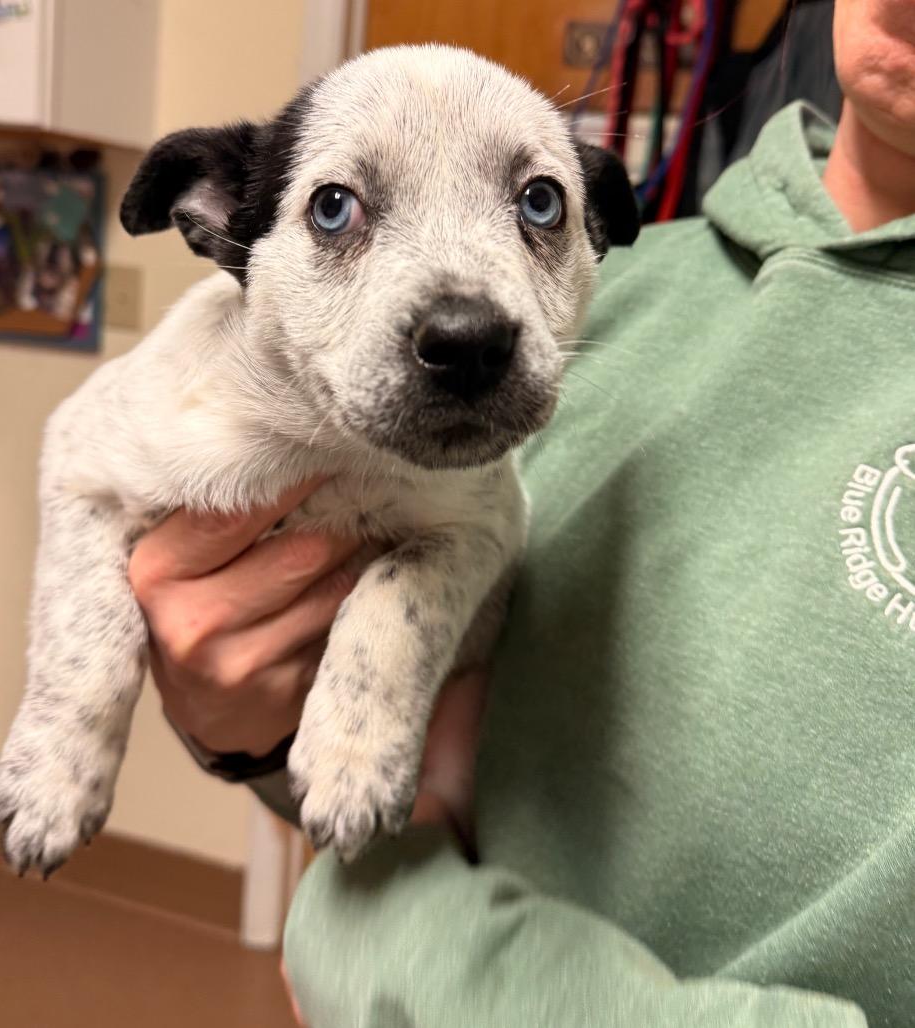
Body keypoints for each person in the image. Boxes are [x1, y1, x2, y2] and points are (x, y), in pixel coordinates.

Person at [127, 2, 915, 1024]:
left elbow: (364, 931)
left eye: (532, 205)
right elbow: (401, 785)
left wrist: (400, 956)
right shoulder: (606, 292)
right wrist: (258, 732)